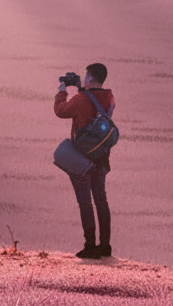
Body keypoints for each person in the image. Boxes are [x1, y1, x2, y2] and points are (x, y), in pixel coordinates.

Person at [55, 63, 115, 259]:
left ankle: (89, 246)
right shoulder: (109, 97)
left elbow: (61, 111)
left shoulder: (81, 99)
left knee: (85, 202)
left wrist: (62, 91)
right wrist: (81, 88)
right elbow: (93, 103)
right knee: (101, 200)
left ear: (89, 77)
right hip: (101, 157)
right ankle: (105, 246)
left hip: (82, 158)